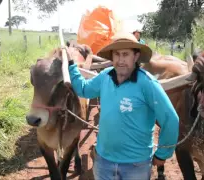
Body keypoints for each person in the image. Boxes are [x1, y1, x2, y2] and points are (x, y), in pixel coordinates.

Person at [64, 31, 179, 180]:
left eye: (125, 54)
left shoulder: (147, 84)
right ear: (112, 57)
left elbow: (171, 120)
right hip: (104, 161)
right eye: (117, 54)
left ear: (136, 56)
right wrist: (71, 65)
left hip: (136, 165)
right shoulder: (105, 76)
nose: (120, 60)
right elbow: (84, 89)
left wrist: (162, 154)